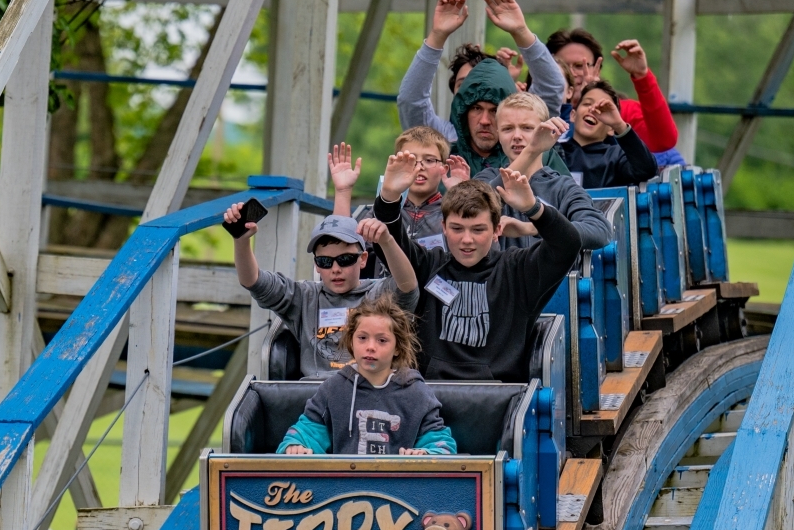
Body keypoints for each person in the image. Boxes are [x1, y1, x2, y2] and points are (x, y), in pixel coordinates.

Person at [373, 154, 582, 384]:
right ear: (444, 227)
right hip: (429, 391)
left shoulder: (518, 270)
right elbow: (389, 242)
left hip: (500, 396)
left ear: (497, 230)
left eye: (478, 229)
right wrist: (389, 197)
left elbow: (568, 245)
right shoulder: (428, 265)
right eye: (457, 228)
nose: (467, 240)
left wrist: (534, 209)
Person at [225, 206, 419, 377]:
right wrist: (241, 241)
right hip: (315, 392)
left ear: (363, 259)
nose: (335, 269)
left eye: (345, 260)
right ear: (316, 265)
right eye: (325, 262)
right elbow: (253, 281)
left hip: (367, 388)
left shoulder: (379, 293)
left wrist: (387, 241)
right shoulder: (304, 296)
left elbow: (408, 286)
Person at [398, 0, 567, 174]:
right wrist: (437, 36)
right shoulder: (444, 142)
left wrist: (521, 32)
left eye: (494, 110)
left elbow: (552, 86)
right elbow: (411, 101)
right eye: (476, 108)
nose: (485, 121)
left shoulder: (530, 143)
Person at [278, 296, 456, 456]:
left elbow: (440, 443)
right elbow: (307, 432)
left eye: (382, 340)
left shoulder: (417, 393)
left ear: (398, 348)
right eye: (362, 338)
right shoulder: (333, 389)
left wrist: (426, 453)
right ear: (351, 341)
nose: (370, 347)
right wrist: (297, 446)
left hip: (399, 483)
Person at [482, 92, 615, 252]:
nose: (517, 136)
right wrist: (531, 150)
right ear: (498, 134)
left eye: (527, 128)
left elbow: (600, 231)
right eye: (507, 129)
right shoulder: (487, 178)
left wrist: (534, 227)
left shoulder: (563, 187)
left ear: (545, 131)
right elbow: (476, 205)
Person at [547, 29, 683, 166]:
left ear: (597, 70)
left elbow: (664, 141)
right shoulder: (539, 110)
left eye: (579, 66)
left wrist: (642, 76)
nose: (571, 73)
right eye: (562, 67)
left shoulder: (620, 110)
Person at [332, 131, 451, 250]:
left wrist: (459, 197)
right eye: (410, 159)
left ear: (444, 169)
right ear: (396, 164)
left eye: (429, 160)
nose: (419, 167)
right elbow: (342, 251)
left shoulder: (450, 214)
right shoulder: (377, 212)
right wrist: (343, 191)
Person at [559, 82, 658, 189]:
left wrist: (619, 126)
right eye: (587, 104)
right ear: (573, 115)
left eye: (602, 109)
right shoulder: (556, 152)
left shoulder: (617, 157)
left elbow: (646, 170)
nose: (593, 110)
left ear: (611, 129)